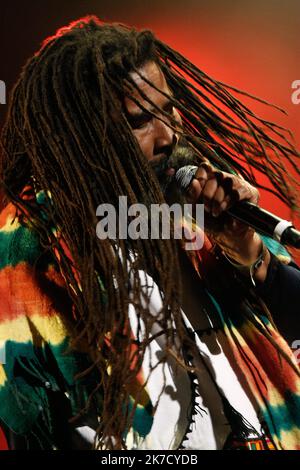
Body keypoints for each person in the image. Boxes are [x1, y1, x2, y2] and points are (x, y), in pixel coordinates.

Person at [0, 16, 299, 450]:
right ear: (82, 138)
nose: (168, 135)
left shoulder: (185, 203)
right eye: (140, 121)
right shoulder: (29, 256)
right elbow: (35, 424)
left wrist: (249, 249)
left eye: (168, 108)